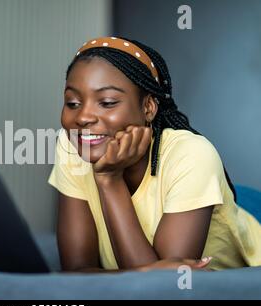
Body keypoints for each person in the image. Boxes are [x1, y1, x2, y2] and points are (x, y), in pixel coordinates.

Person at [48, 36, 261, 272]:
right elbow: (75, 270)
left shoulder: (193, 154)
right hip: (193, 193)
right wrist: (146, 271)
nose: (83, 117)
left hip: (247, 212)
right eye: (73, 103)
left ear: (148, 108)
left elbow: (162, 290)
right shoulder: (73, 145)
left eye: (107, 102)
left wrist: (109, 179)